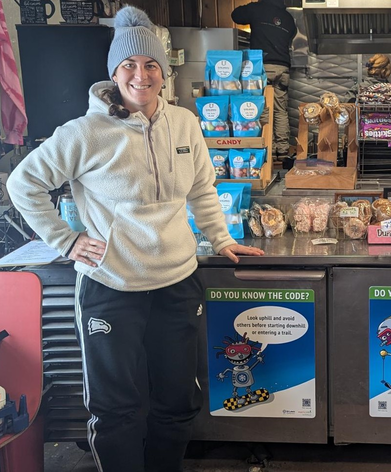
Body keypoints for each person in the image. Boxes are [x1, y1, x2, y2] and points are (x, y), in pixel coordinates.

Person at [7, 7, 263, 472]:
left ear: (164, 73)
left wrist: (221, 238)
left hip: (176, 282)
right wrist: (66, 241)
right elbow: (23, 184)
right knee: (115, 410)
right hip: (111, 286)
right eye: (129, 65)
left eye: (151, 66)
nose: (140, 76)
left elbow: (203, 187)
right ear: (114, 72)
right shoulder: (84, 132)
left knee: (178, 402)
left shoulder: (184, 123)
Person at [231, 0, 297, 166]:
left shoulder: (257, 9)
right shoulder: (288, 17)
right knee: (281, 109)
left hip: (262, 66)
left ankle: (267, 148)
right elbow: (292, 34)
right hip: (283, 68)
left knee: (264, 109)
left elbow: (235, 15)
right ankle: (282, 151)